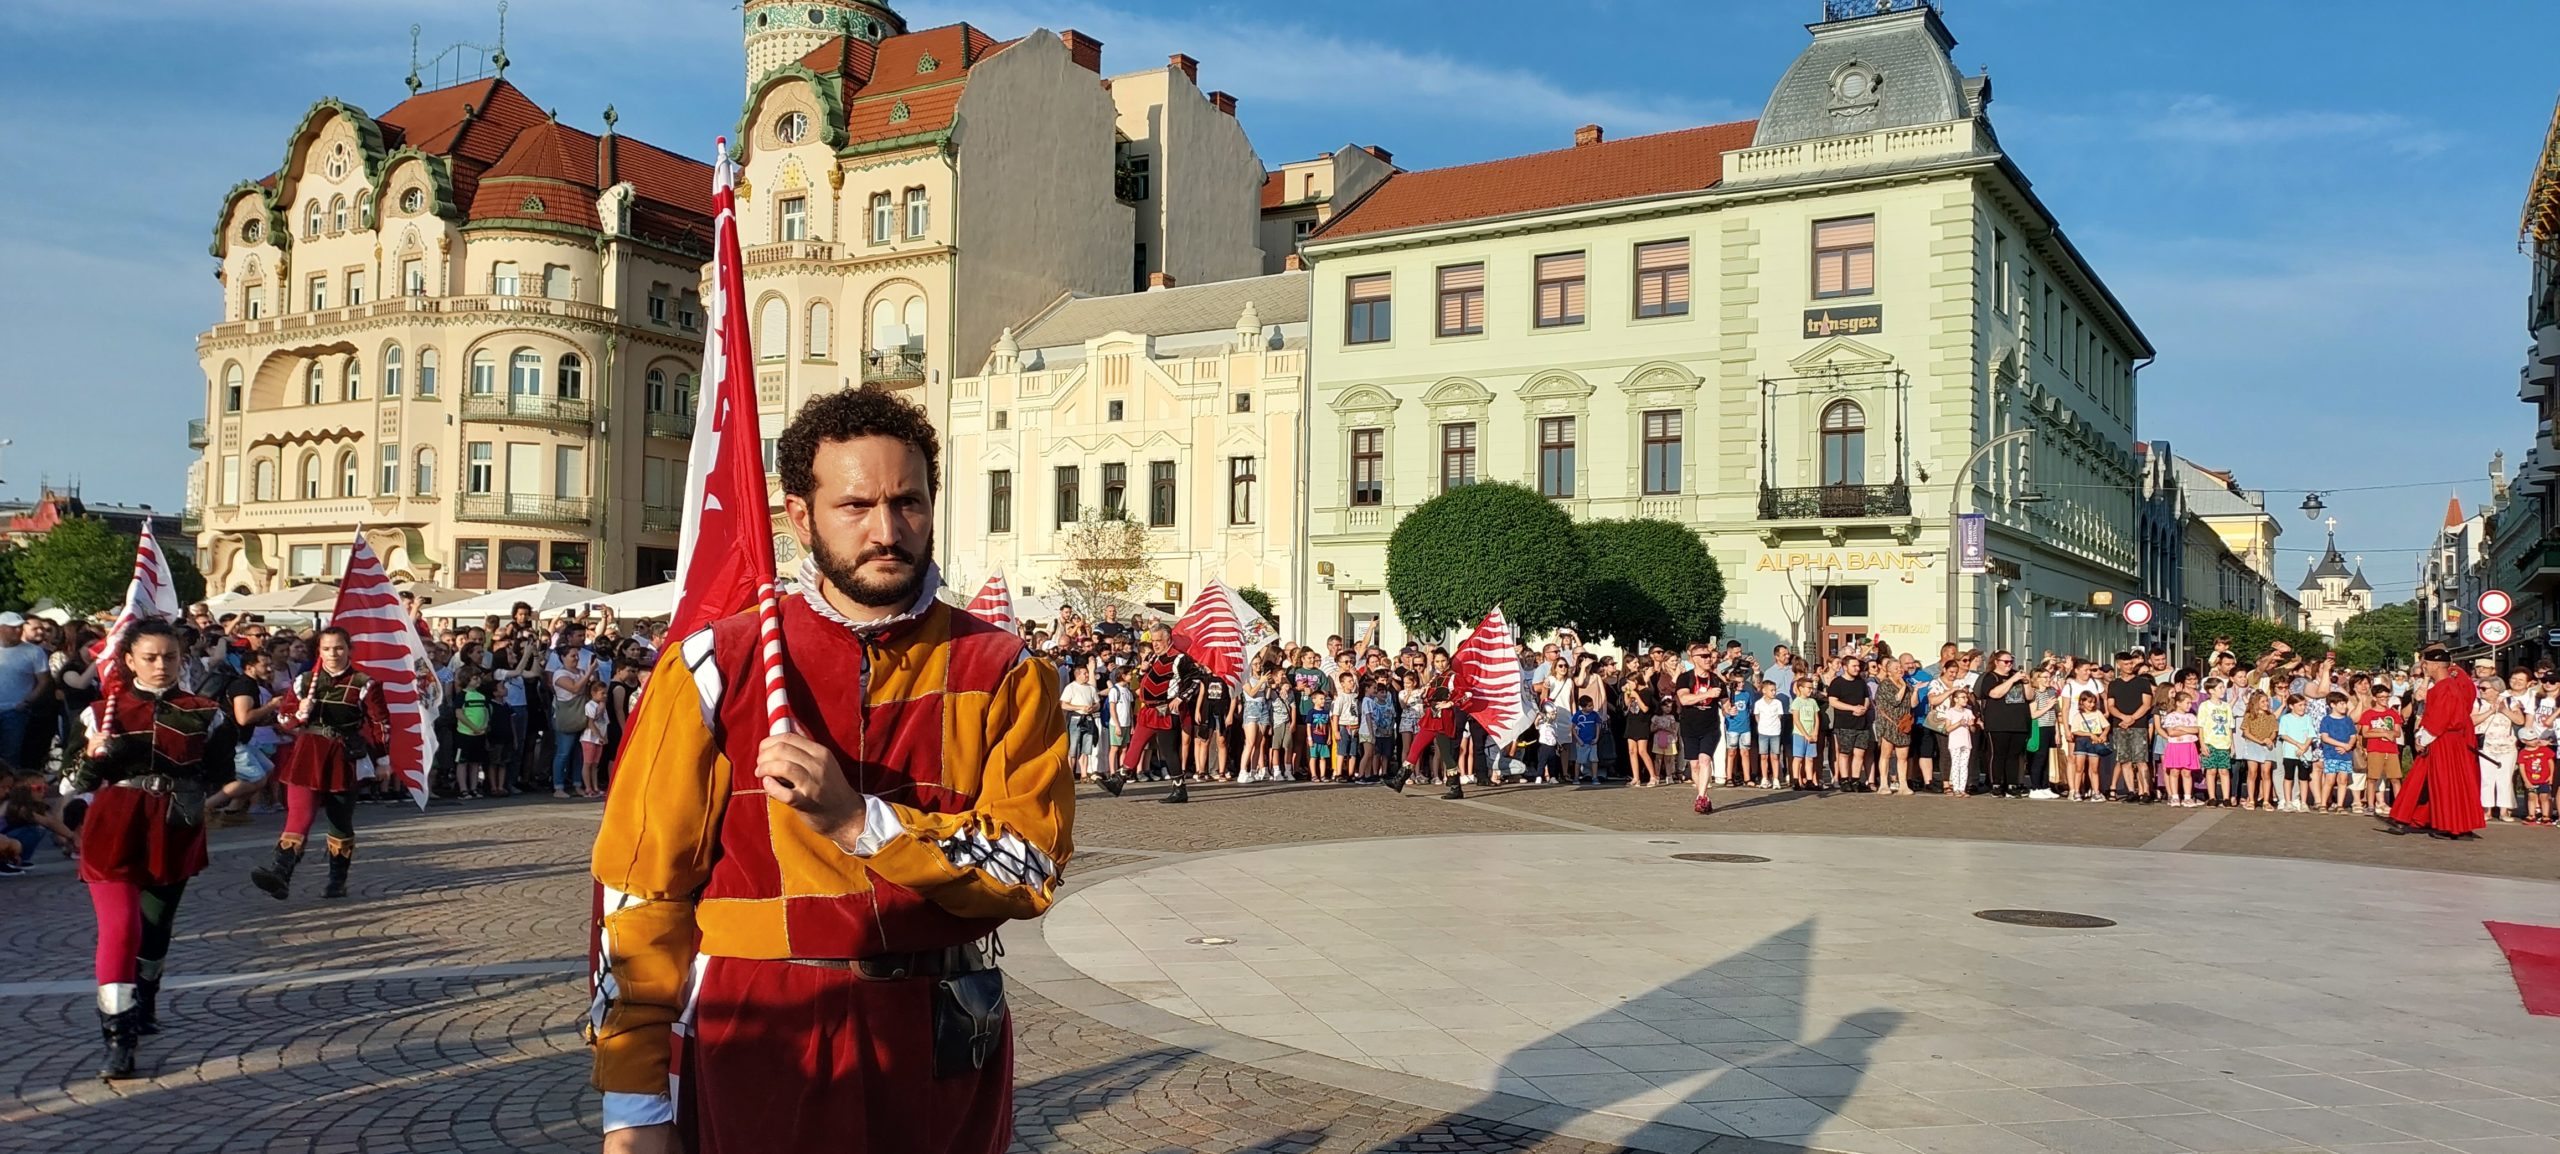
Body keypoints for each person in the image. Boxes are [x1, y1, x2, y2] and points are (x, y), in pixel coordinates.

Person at [589, 387, 1070, 1154]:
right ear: (799, 516)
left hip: (938, 1039)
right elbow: (640, 892)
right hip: (759, 1036)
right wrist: (635, 1108)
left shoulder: (1004, 670)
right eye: (856, 505)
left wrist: (860, 822)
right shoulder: (717, 666)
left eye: (908, 501)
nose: (887, 530)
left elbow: (1028, 865)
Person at [73, 620, 237, 1079]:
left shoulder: (205, 712)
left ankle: (145, 999)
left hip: (173, 827)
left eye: (169, 656)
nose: (161, 665)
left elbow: (227, 776)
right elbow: (74, 785)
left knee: (156, 928)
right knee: (121, 929)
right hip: (113, 826)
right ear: (129, 660)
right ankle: (118, 1039)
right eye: (150, 657)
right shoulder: (102, 711)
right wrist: (90, 754)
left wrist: (204, 804)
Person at [251, 627, 389, 901]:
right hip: (308, 754)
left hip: (342, 756)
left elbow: (380, 723)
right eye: (327, 649)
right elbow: (284, 718)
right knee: (298, 817)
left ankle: (338, 879)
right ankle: (281, 874)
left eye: (339, 648)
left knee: (339, 821)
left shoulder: (364, 684)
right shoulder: (305, 681)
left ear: (349, 649)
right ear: (319, 651)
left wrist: (383, 759)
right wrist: (298, 714)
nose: (333, 654)